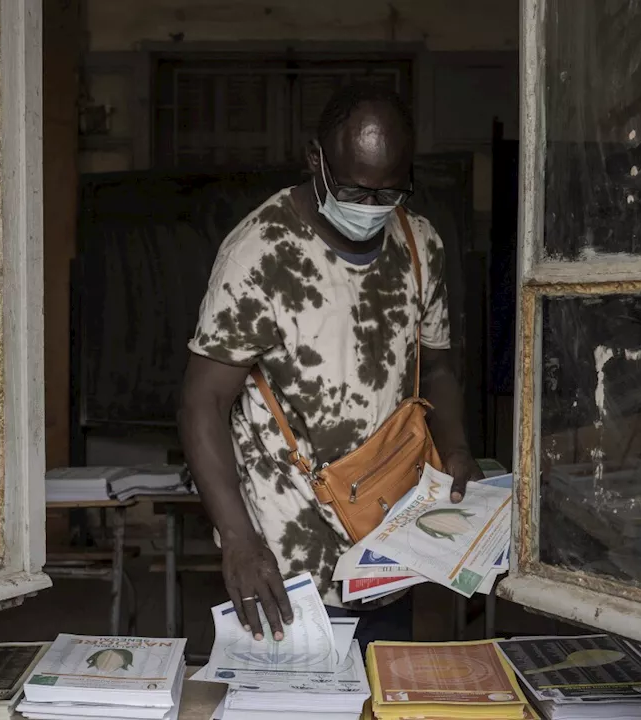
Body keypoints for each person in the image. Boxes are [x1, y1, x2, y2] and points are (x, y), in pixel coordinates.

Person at [178, 83, 480, 649]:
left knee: (379, 693)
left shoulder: (420, 245)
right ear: (315, 160)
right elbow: (203, 400)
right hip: (284, 562)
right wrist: (239, 541)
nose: (370, 208)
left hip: (388, 546)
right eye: (352, 189)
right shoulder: (260, 253)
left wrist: (457, 446)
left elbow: (437, 368)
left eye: (389, 192)